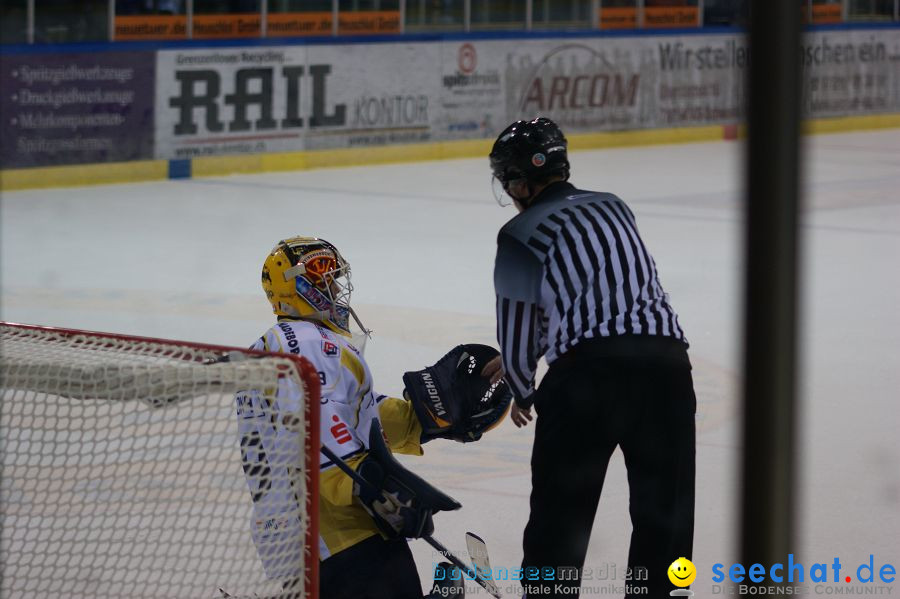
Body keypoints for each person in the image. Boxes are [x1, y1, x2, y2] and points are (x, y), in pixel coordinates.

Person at [232, 235, 511, 599]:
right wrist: (376, 489)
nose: (334, 285)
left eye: (334, 274)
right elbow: (321, 431)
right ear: (295, 286)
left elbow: (350, 411)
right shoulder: (308, 343)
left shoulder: (289, 342)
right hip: (336, 525)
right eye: (322, 276)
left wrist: (420, 422)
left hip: (301, 528)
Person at [488, 118, 696, 598]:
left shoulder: (518, 233)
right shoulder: (614, 206)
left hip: (587, 383)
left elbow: (519, 327)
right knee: (665, 513)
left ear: (520, 182)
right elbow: (600, 294)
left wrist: (521, 387)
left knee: (560, 523)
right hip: (667, 368)